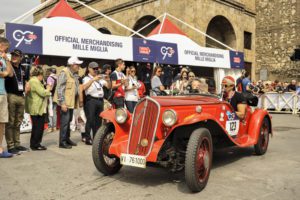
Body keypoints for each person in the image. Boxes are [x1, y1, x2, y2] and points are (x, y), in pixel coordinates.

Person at [5, 49, 29, 154]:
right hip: (10, 95)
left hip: (21, 96)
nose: (14, 57)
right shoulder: (8, 66)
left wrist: (27, 85)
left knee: (18, 122)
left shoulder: (23, 68)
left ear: (21, 57)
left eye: (16, 55)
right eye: (13, 55)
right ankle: (10, 146)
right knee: (10, 122)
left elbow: (26, 80)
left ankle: (17, 144)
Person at [54, 56, 81, 149]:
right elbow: (60, 89)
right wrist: (62, 103)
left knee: (68, 121)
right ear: (72, 64)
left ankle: (67, 139)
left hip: (71, 102)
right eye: (77, 64)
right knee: (64, 122)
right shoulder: (64, 72)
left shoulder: (74, 74)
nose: (79, 66)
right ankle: (62, 142)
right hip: (65, 103)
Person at [25, 66, 51, 150]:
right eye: (43, 75)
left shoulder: (33, 80)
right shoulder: (35, 81)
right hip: (37, 107)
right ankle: (36, 144)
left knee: (37, 127)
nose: (43, 77)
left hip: (37, 106)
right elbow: (43, 93)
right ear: (40, 74)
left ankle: (34, 144)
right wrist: (48, 89)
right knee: (38, 127)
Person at [83, 62, 108, 139]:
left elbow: (109, 86)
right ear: (89, 69)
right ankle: (87, 138)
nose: (96, 70)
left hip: (100, 100)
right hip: (91, 100)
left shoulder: (99, 78)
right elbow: (84, 87)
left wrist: (108, 79)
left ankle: (96, 138)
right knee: (90, 119)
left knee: (98, 121)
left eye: (97, 68)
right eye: (94, 69)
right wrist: (93, 79)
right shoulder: (86, 78)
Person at [0, 37, 13, 158]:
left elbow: (10, 73)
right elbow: (3, 73)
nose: (7, 49)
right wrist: (4, 73)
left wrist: (7, 60)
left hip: (2, 92)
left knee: (2, 122)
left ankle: (0, 148)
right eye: (6, 47)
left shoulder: (3, 58)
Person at [46, 68, 57, 132]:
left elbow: (50, 87)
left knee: (50, 111)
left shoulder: (49, 78)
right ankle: (55, 127)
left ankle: (50, 127)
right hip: (56, 96)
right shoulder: (57, 78)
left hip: (51, 95)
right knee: (54, 111)